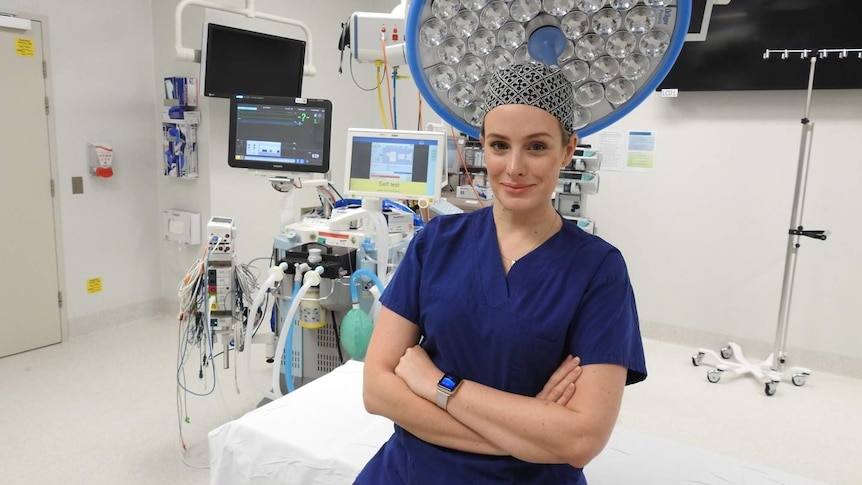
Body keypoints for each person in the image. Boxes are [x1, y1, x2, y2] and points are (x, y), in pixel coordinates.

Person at [355, 62, 646, 484]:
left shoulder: (597, 270)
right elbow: (377, 390)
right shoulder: (436, 242)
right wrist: (529, 434)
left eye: (537, 147)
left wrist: (439, 385)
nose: (514, 167)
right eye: (499, 145)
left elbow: (582, 439)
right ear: (483, 147)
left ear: (568, 150)